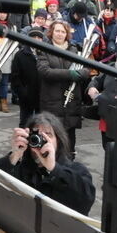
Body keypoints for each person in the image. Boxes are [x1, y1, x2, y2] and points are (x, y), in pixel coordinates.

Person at [0, 113, 96, 215]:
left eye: (47, 134)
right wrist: (14, 156)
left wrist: (54, 169)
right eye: (36, 136)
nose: (41, 140)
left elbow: (85, 203)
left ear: (58, 141)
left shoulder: (76, 171)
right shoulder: (20, 168)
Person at [37, 20, 85, 154]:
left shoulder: (74, 50)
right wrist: (70, 74)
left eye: (63, 31)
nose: (60, 34)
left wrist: (82, 73)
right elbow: (45, 71)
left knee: (69, 145)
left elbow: (85, 69)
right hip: (51, 102)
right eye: (57, 31)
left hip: (70, 104)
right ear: (52, 32)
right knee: (51, 142)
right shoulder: (44, 50)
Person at [11, 27, 44, 127]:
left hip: (42, 95)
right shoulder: (20, 55)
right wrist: (22, 92)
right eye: (34, 37)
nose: (37, 39)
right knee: (25, 122)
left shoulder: (46, 53)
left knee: (41, 123)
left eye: (39, 37)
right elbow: (15, 76)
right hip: (26, 95)